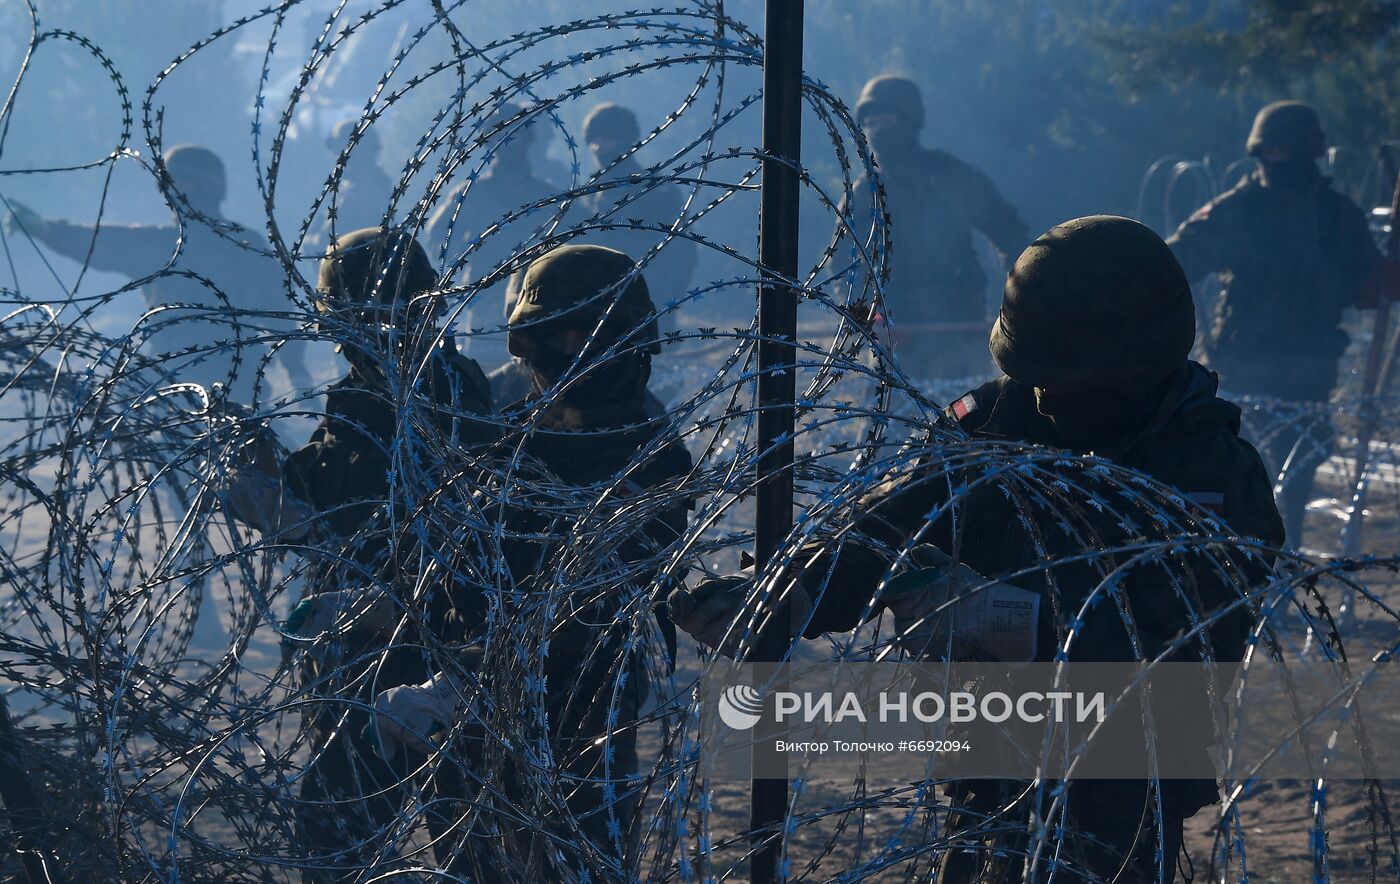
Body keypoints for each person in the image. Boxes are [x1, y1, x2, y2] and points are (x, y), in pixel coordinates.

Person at [669, 217, 1285, 882]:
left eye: (1069, 381)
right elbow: (886, 525)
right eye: (1035, 374)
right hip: (988, 760)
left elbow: (1184, 648)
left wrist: (1007, 620)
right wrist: (794, 592)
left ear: (1138, 369)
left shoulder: (1207, 477)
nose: (1047, 399)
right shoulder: (993, 421)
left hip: (1120, 783)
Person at [370, 244, 693, 878]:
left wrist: (460, 682)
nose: (569, 352)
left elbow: (586, 609)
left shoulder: (645, 456)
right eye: (555, 335)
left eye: (586, 334)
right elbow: (451, 556)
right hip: (476, 726)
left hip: (576, 723)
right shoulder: (514, 438)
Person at [220, 227, 494, 882]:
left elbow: (444, 537)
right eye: (355, 319)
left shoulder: (443, 398)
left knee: (466, 849)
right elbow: (332, 498)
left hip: (425, 659)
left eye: (376, 315)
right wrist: (270, 481)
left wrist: (372, 591)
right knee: (339, 848)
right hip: (363, 667)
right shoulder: (367, 397)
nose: (365, 331)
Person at [1167, 99, 1396, 549]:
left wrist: (1391, 272)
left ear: (1306, 152)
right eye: (1267, 153)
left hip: (1309, 372)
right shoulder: (1236, 209)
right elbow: (1173, 263)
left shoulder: (1337, 215)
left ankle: (1279, 557)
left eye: (1283, 152)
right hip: (1244, 369)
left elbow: (1371, 290)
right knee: (1236, 474)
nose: (1275, 162)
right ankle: (1235, 561)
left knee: (1295, 479)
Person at [4, 145, 313, 396]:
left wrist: (298, 371)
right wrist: (46, 230)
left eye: (179, 185)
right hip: (200, 378)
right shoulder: (234, 242)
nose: (172, 194)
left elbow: (279, 307)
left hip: (204, 379)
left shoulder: (175, 244)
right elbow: (100, 242)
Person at [842, 75, 1028, 379]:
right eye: (871, 123)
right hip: (895, 341)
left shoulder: (952, 178)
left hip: (959, 331)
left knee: (964, 419)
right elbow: (846, 275)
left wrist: (1018, 298)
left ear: (909, 121)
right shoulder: (862, 196)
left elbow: (1010, 233)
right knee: (888, 426)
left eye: (886, 120)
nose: (877, 131)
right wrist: (874, 323)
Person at [425, 103, 558, 368]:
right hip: (484, 295)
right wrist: (469, 253)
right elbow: (437, 239)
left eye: (517, 135)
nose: (511, 143)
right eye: (504, 136)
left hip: (537, 298)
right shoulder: (473, 194)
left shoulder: (545, 193)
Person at [571, 102, 697, 329]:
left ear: (624, 141)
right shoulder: (592, 192)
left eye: (607, 140)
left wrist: (661, 300)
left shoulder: (654, 190)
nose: (599, 148)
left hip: (644, 299)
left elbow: (679, 251)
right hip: (597, 304)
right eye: (593, 141)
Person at [320, 120, 399, 237]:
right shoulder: (376, 181)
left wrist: (313, 238)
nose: (337, 157)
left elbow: (327, 241)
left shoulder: (362, 189)